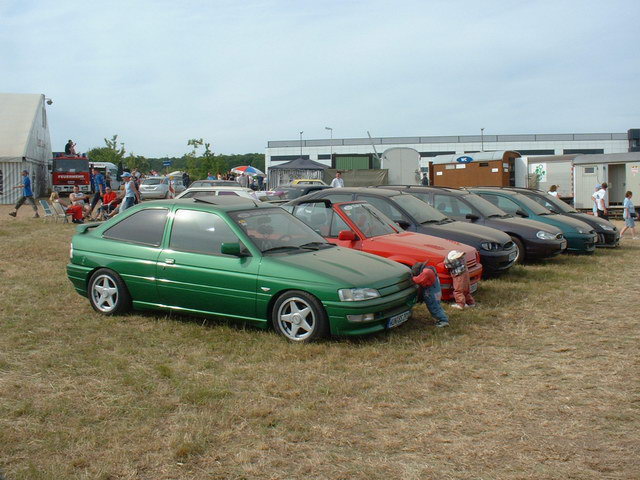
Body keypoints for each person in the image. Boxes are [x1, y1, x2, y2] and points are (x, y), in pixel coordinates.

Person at [412, 262, 449, 328]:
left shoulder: (426, 272)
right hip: (436, 292)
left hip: (432, 295)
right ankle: (443, 316)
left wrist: (412, 278)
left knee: (434, 308)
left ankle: (443, 320)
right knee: (437, 306)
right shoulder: (430, 269)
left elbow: (418, 280)